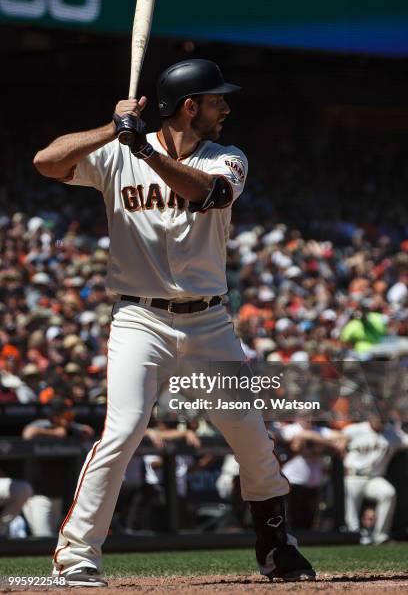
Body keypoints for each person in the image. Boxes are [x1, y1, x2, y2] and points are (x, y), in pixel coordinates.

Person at [34, 58, 315, 587]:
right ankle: (76, 557)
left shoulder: (227, 157)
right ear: (191, 107)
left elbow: (209, 194)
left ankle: (278, 548)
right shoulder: (117, 154)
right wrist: (111, 129)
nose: (225, 108)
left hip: (208, 322)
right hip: (139, 318)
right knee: (122, 431)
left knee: (252, 439)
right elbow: (46, 162)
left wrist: (141, 148)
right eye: (216, 100)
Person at [22, 398, 94, 536]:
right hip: (38, 497)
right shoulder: (44, 424)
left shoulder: (71, 428)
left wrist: (81, 431)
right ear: (55, 416)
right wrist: (53, 433)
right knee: (44, 537)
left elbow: (87, 431)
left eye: (70, 415)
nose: (69, 418)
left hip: (59, 498)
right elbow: (27, 433)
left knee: (56, 540)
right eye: (66, 415)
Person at [343, 415, 408, 544]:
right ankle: (354, 536)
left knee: (388, 493)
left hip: (374, 478)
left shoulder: (392, 434)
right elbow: (337, 440)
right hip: (353, 476)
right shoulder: (355, 429)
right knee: (351, 511)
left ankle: (380, 536)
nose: (381, 421)